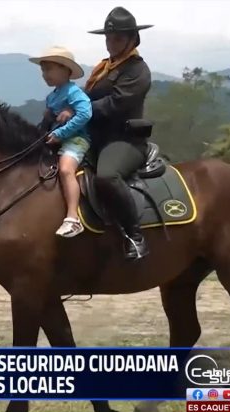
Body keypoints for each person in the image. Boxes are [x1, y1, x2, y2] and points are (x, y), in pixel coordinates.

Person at [84, 6, 154, 260]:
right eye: (108, 38)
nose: (111, 43)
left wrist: (80, 111)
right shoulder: (103, 68)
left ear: (132, 39)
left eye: (117, 38)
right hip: (95, 138)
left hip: (124, 140)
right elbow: (86, 97)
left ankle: (135, 236)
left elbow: (116, 104)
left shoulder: (137, 70)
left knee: (107, 176)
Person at [29, 46, 92, 238]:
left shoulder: (73, 92)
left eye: (49, 69)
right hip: (56, 140)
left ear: (66, 70)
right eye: (43, 70)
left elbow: (85, 114)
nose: (45, 74)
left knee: (65, 169)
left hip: (76, 140)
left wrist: (61, 133)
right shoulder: (51, 97)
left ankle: (73, 218)